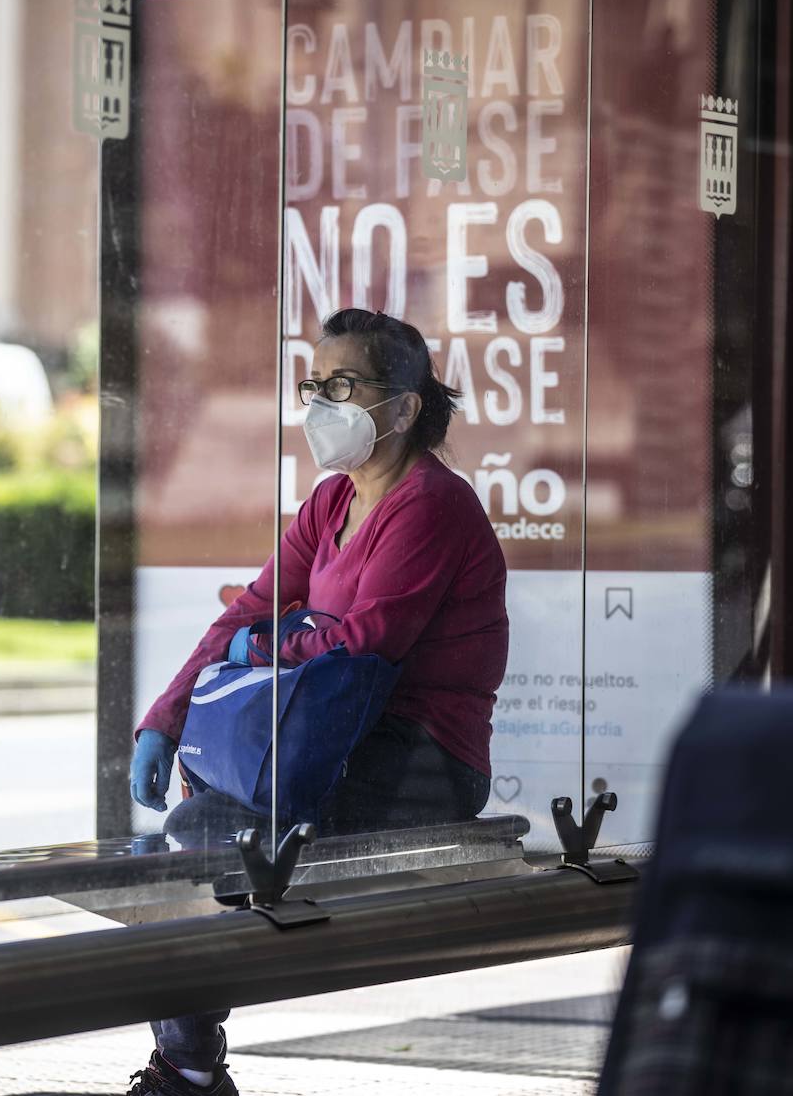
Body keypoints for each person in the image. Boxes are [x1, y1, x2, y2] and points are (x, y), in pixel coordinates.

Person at [126, 308, 509, 1096]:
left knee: (193, 843)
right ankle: (189, 1065)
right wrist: (166, 715)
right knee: (171, 854)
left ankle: (188, 1070)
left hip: (421, 761)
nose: (320, 402)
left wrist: (258, 654)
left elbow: (367, 642)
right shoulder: (332, 503)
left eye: (343, 383)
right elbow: (252, 610)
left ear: (403, 408)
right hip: (332, 745)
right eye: (315, 382)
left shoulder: (432, 502)